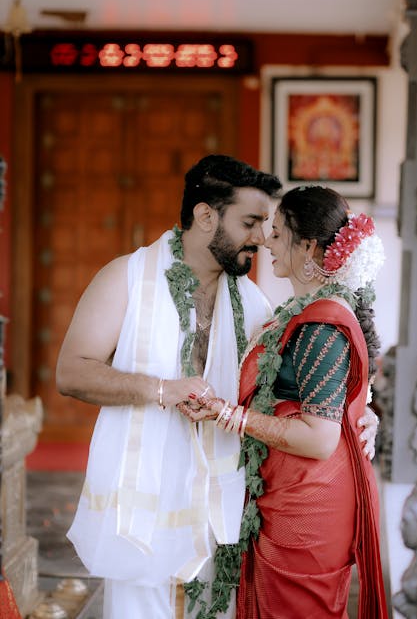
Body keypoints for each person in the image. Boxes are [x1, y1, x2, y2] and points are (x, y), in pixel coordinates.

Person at [56, 155, 379, 619]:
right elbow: (72, 372)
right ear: (206, 215)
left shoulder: (255, 303)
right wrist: (163, 389)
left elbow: (303, 385)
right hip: (142, 500)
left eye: (268, 224)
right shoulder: (126, 277)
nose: (262, 238)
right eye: (250, 222)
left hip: (223, 506)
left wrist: (360, 412)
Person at [182, 185, 388, 618]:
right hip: (291, 488)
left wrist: (228, 415)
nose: (267, 242)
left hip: (307, 503)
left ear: (308, 245)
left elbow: (318, 439)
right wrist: (361, 411)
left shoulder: (321, 324)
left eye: (277, 232)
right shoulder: (306, 309)